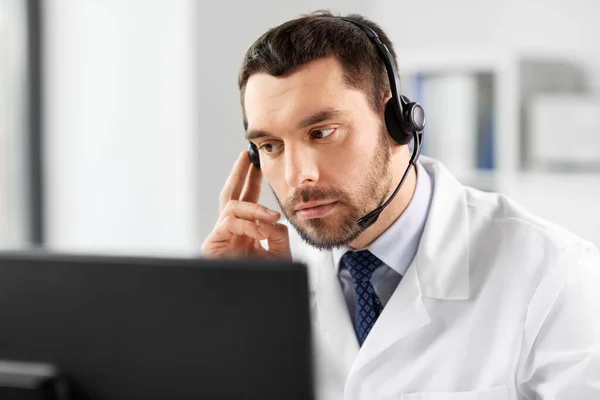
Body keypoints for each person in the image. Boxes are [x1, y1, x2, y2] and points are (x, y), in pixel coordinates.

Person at [201, 10, 600, 400]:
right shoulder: (265, 270)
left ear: (397, 121)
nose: (295, 176)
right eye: (270, 146)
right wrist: (242, 315)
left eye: (322, 132)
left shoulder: (557, 276)